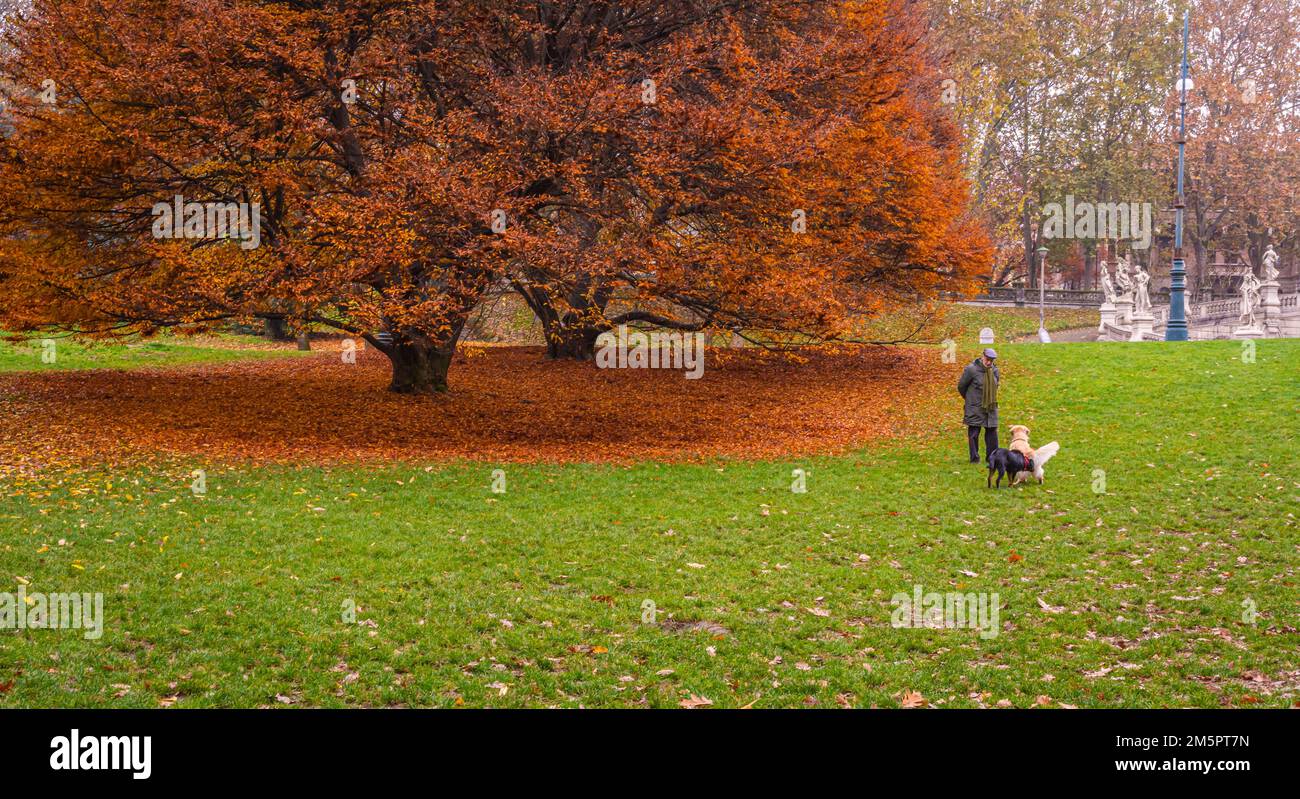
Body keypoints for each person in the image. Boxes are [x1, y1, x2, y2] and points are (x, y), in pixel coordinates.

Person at [958, 348, 1000, 463]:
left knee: (992, 432)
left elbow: (996, 385)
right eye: (987, 359)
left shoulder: (995, 370)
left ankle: (992, 458)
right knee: (974, 433)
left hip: (990, 406)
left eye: (991, 360)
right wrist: (970, 400)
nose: (989, 362)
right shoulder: (971, 369)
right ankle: (974, 458)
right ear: (983, 356)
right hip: (974, 407)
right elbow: (961, 387)